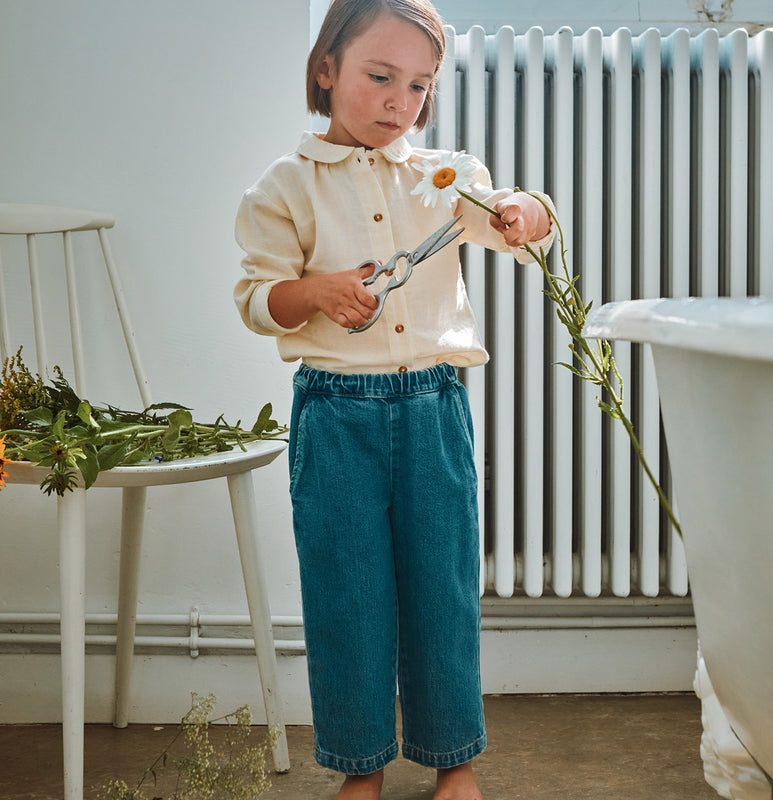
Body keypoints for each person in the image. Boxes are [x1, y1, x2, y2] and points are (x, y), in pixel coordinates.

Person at [234, 1, 555, 797]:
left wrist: (525, 214)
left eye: (418, 86)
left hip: (433, 408)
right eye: (380, 77)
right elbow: (255, 299)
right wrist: (313, 291)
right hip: (335, 413)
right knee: (348, 593)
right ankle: (360, 768)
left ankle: (456, 762)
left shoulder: (449, 179)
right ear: (326, 70)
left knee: (442, 590)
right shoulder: (285, 186)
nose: (398, 102)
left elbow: (529, 229)